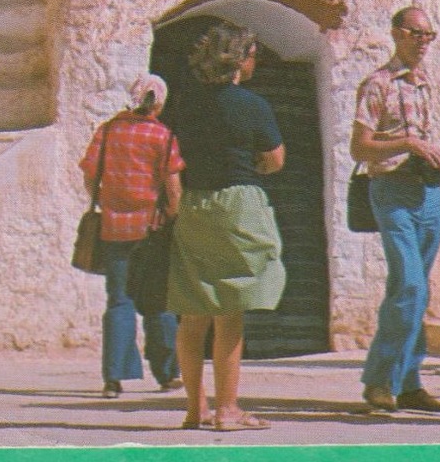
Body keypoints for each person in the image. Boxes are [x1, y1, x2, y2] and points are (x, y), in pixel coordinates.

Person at [164, 23, 286, 431]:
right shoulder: (252, 104)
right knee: (230, 310)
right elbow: (275, 159)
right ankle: (228, 409)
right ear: (240, 59)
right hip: (238, 203)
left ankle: (195, 409)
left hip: (195, 203)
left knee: (193, 310)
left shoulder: (185, 105)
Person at [350, 6, 440, 414]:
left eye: (429, 35)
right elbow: (361, 148)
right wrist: (407, 145)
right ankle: (379, 379)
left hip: (427, 191)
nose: (423, 42)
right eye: (417, 34)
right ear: (397, 34)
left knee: (417, 288)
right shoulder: (377, 84)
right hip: (391, 189)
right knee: (408, 283)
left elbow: (431, 137)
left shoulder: (428, 83)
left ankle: (409, 381)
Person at [79, 73, 184, 399]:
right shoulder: (163, 136)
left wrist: (108, 200)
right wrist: (172, 217)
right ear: (160, 102)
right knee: (159, 302)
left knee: (119, 301)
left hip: (113, 227)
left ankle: (113, 378)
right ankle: (167, 374)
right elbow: (173, 188)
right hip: (152, 229)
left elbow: (90, 175)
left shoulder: (107, 131)